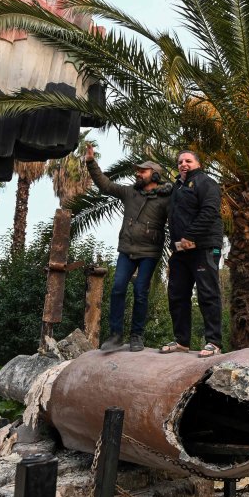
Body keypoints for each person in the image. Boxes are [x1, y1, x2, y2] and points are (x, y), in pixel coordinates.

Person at [84, 147, 173, 352]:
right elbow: (105, 185)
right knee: (118, 288)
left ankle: (137, 336)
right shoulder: (130, 192)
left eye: (143, 171)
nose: (138, 174)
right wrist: (91, 162)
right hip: (127, 249)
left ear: (155, 175)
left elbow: (176, 220)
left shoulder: (166, 198)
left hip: (149, 252)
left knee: (141, 291)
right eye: (138, 171)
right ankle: (115, 336)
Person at [160, 150, 224, 358]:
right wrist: (176, 243)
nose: (183, 164)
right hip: (180, 249)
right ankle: (181, 342)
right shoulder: (177, 187)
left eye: (188, 161)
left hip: (203, 247)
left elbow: (210, 211)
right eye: (180, 162)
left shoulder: (206, 182)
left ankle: (213, 342)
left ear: (198, 163)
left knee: (207, 293)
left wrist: (190, 236)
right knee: (177, 294)